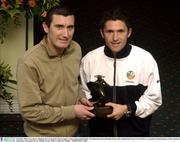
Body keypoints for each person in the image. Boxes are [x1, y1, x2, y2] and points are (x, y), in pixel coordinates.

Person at [80, 8, 162, 137]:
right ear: (102, 33)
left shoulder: (145, 59)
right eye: (109, 31)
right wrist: (86, 101)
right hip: (99, 134)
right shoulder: (89, 59)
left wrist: (127, 109)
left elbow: (154, 99)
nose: (115, 38)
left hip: (135, 134)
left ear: (129, 32)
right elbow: (83, 93)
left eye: (120, 31)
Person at [16, 5, 95, 137]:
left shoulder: (76, 49)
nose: (66, 34)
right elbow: (30, 111)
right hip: (42, 137)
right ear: (46, 27)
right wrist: (73, 112)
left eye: (70, 27)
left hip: (74, 134)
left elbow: (75, 82)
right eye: (59, 27)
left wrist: (80, 97)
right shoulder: (29, 61)